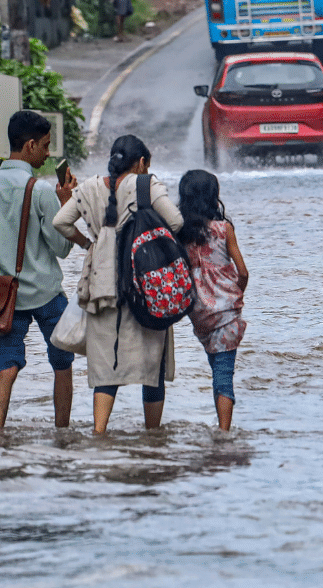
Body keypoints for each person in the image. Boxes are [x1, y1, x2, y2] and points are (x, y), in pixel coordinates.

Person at [53, 135, 183, 435]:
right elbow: (175, 222)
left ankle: (99, 433)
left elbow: (60, 222)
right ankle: (152, 437)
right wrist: (152, 240)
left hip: (101, 284)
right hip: (145, 281)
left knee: (105, 367)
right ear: (141, 163)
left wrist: (89, 243)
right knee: (153, 369)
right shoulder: (146, 185)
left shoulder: (86, 189)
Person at [0, 110, 91, 430]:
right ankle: (62, 433)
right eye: (45, 145)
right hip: (47, 294)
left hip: (8, 297)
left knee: (8, 365)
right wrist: (67, 205)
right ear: (29, 146)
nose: (47, 153)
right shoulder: (39, 191)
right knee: (62, 363)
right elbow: (61, 247)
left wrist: (2, 281)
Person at [178, 170, 248, 432]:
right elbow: (242, 272)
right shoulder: (223, 230)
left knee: (215, 368)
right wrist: (235, 295)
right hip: (225, 313)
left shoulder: (180, 232)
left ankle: (221, 426)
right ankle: (224, 433)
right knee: (224, 375)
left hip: (197, 314)